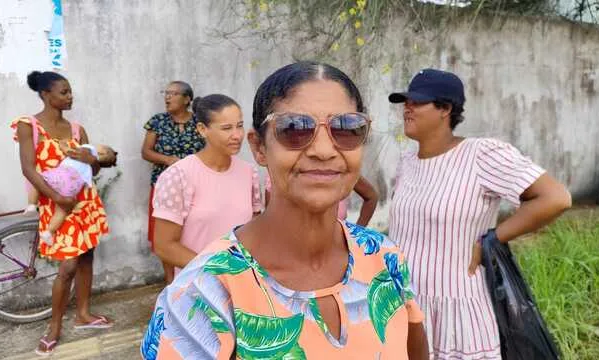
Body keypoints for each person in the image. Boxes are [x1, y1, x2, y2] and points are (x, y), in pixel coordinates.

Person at [141, 61, 429, 360]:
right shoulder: (201, 296)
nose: (324, 150)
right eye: (294, 128)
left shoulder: (384, 257)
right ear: (259, 147)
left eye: (346, 128)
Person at [387, 68, 572, 359]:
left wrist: (493, 238)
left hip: (456, 308)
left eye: (417, 102)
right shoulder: (406, 161)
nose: (407, 108)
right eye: (405, 101)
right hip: (405, 302)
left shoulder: (481, 154)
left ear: (445, 109)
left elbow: (555, 198)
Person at [12, 71, 113, 356]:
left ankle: (83, 315)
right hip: (57, 205)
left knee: (87, 256)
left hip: (85, 203)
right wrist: (58, 198)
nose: (70, 97)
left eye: (70, 92)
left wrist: (92, 160)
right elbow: (28, 168)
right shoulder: (28, 125)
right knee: (67, 267)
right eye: (64, 92)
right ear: (46, 94)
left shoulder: (78, 129)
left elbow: (93, 170)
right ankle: (54, 327)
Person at [151, 94, 262, 277]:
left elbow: (254, 231)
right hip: (197, 291)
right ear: (202, 129)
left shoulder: (249, 173)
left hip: (242, 286)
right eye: (226, 128)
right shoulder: (178, 176)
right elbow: (165, 246)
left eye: (240, 126)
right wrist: (217, 270)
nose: (237, 135)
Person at [141, 81, 204, 284]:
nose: (167, 97)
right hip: (164, 188)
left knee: (193, 231)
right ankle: (171, 281)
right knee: (166, 235)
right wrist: (170, 161)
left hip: (196, 187)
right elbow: (146, 152)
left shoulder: (200, 123)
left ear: (187, 99)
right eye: (166, 93)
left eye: (173, 93)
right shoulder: (157, 122)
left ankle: (195, 277)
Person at [26, 143, 117, 245]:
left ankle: (31, 206)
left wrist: (64, 147)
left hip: (64, 176)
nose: (99, 144)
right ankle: (49, 232)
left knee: (36, 180)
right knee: (62, 210)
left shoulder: (89, 149)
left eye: (103, 146)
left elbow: (72, 153)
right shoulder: (92, 165)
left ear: (102, 152)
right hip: (73, 187)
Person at [265, 173, 378, 225]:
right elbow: (271, 221)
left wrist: (355, 235)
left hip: (336, 254)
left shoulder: (339, 170)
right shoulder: (280, 174)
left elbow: (371, 197)